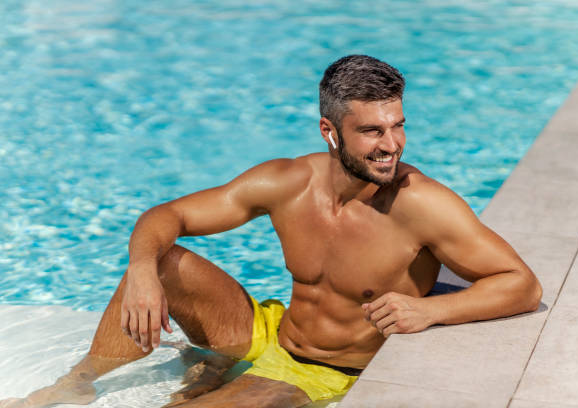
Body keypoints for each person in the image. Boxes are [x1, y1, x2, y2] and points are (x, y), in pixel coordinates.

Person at [0, 55, 542, 408]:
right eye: (372, 130)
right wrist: (142, 271)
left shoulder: (421, 203)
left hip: (322, 373)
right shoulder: (289, 181)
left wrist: (430, 309)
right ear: (330, 132)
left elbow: (521, 284)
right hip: (272, 333)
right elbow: (167, 217)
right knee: (162, 261)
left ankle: (212, 382)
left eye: (398, 125)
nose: (392, 144)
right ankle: (77, 383)